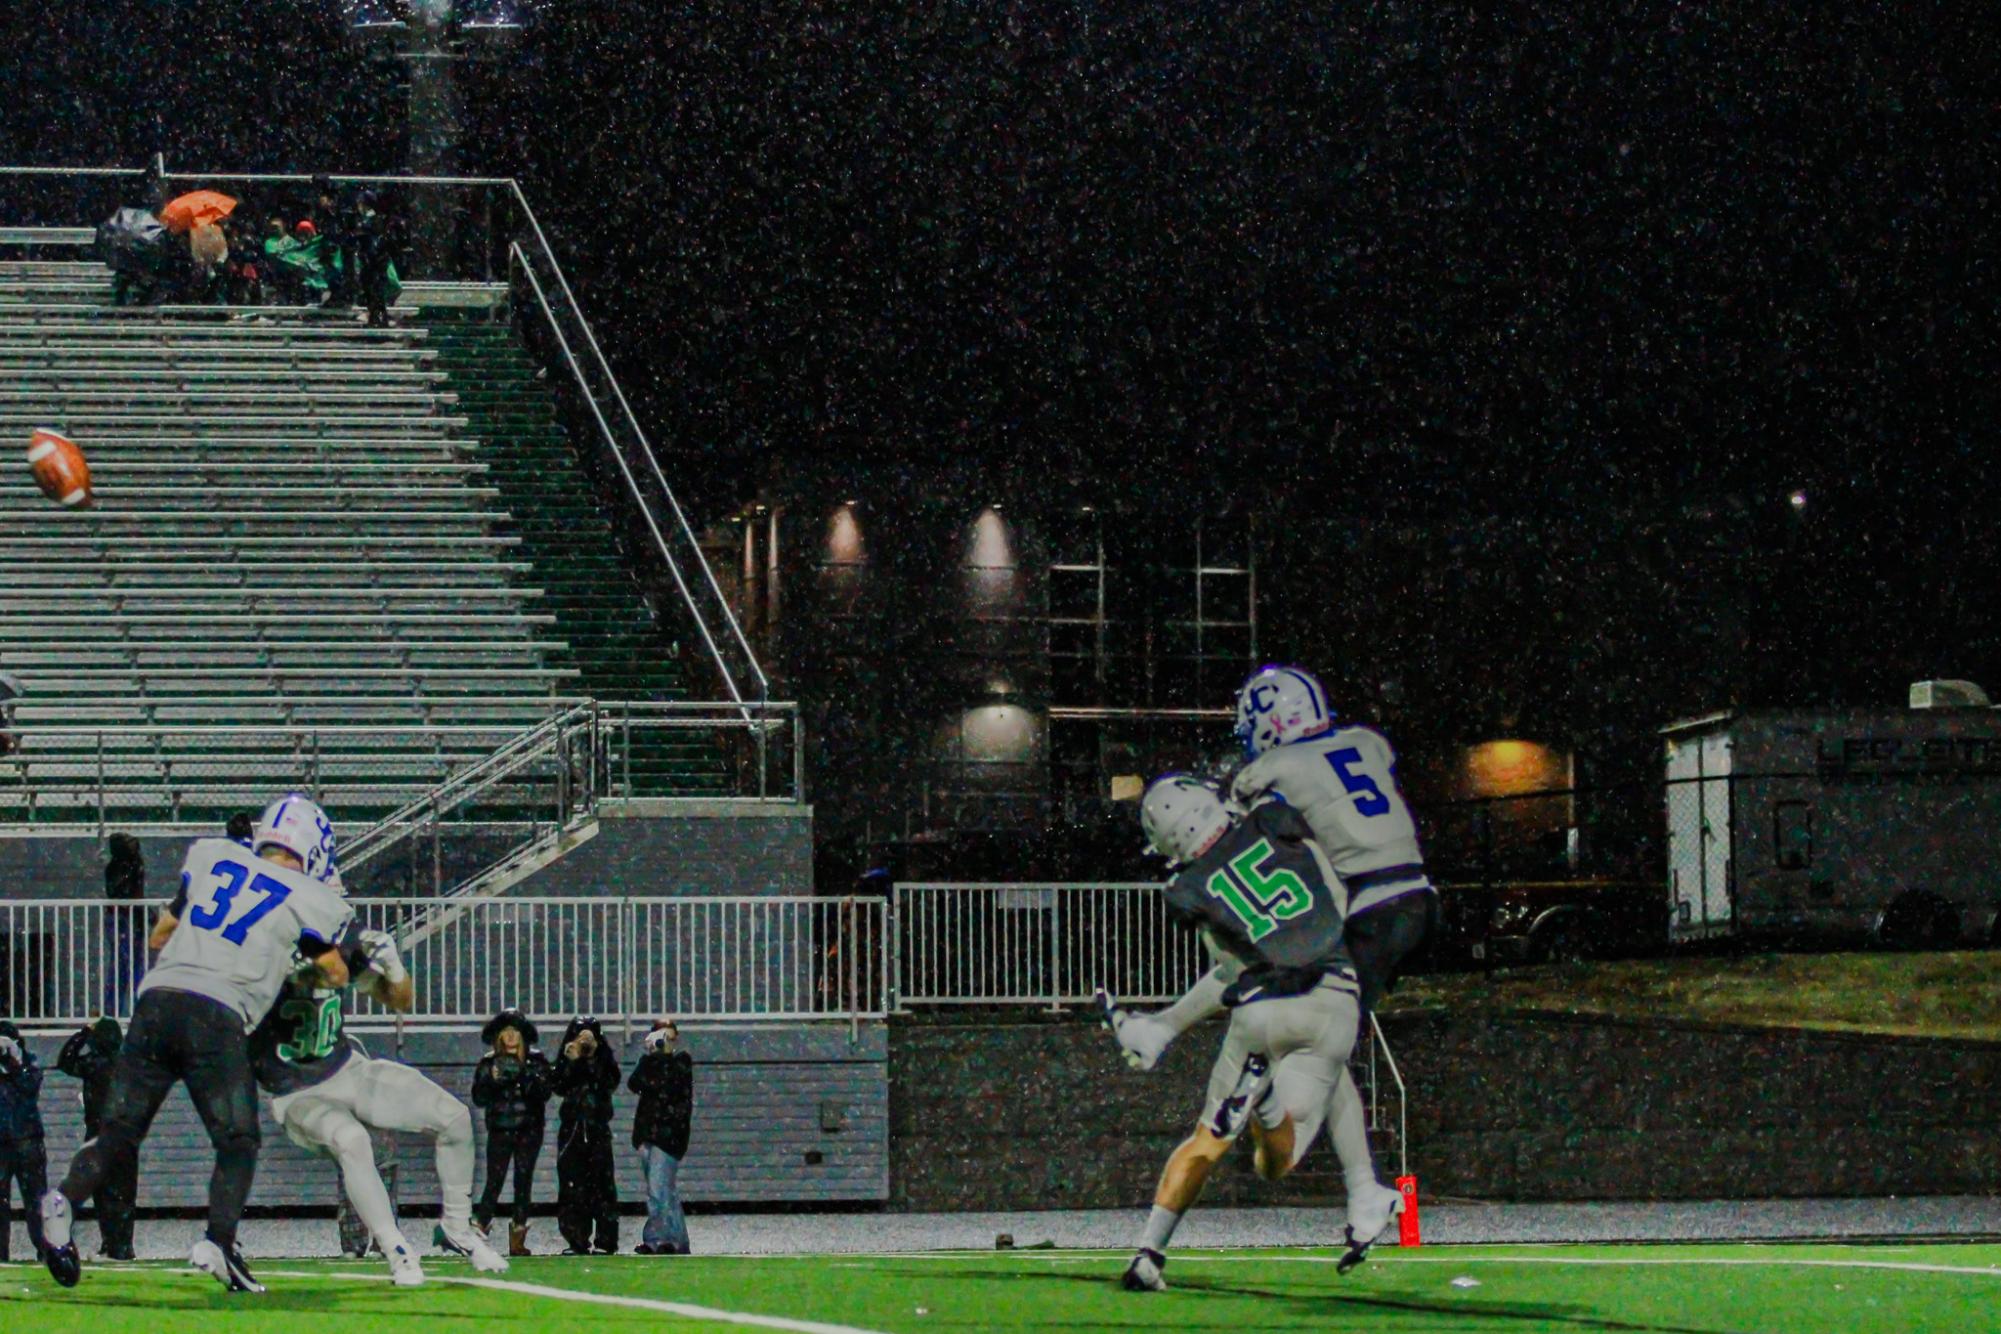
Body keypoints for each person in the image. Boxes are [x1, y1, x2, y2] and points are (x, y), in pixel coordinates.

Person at [39, 792, 355, 1293]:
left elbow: (160, 936)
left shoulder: (215, 855)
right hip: (216, 1013)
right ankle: (219, 1242)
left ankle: (61, 1202)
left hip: (157, 1002)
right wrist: (293, 962)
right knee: (237, 1140)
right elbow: (335, 972)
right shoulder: (311, 896)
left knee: (118, 1131)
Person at [1101, 775, 1366, 1293]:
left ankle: (1148, 1254)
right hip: (1325, 991)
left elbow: (1230, 971)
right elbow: (1333, 890)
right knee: (1277, 1164)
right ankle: (1270, 1111)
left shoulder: (1188, 888)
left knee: (1208, 1140)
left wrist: (1165, 1025)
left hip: (1261, 1010)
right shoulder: (1272, 820)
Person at [1225, 664, 1435, 1266]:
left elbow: (1263, 840)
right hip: (1417, 898)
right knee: (1326, 1036)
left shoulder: (1271, 771)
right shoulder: (1366, 742)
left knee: (1306, 1048)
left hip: (1372, 907)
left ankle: (1278, 1110)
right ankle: (1363, 1189)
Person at [249, 925, 508, 1286]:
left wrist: (393, 965)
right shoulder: (258, 945)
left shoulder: (332, 939)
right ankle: (395, 1247)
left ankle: (457, 1229)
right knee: (353, 1140)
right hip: (296, 1090)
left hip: (345, 1069)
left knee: (453, 1117)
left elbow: (399, 999)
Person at [471, 1010, 551, 1256]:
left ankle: (518, 1235)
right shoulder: (489, 1062)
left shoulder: (536, 1061)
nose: (510, 1036)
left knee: (523, 1181)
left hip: (529, 1129)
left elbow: (544, 1092)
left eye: (515, 1031)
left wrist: (524, 1074)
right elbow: (479, 1097)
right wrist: (493, 1080)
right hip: (500, 1129)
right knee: (494, 1180)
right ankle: (478, 1230)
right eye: (506, 1032)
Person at [54, 1018, 135, 1260]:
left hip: (98, 1135)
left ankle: (110, 1242)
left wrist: (83, 1034)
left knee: (102, 1191)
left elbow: (65, 1062)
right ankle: (123, 1245)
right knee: (125, 1192)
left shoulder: (93, 1064)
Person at [551, 1016, 619, 1255]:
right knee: (572, 1187)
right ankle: (576, 1240)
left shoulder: (604, 1060)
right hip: (572, 1129)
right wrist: (572, 1061)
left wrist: (590, 1059)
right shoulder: (567, 1057)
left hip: (598, 1127)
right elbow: (558, 1085)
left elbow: (608, 1082)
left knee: (603, 1186)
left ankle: (606, 1240)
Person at [627, 1019, 692, 1255]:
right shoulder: (649, 1063)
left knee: (657, 1190)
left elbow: (670, 1085)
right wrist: (652, 1056)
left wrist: (660, 1056)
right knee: (665, 1190)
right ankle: (676, 1240)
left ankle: (658, 1239)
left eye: (670, 1038)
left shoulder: (681, 1062)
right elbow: (635, 1084)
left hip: (669, 1135)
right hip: (648, 1134)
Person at [0, 1020, 49, 1265]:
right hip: (2, 1142)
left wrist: (13, 1062)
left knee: (37, 1200)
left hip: (27, 1140)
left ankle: (45, 1250)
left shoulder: (30, 1061)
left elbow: (30, 1087)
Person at [101, 834, 147, 1017]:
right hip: (123, 918)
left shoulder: (125, 865)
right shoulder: (120, 867)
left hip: (129, 918)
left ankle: (120, 1012)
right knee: (125, 967)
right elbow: (119, 892)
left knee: (128, 967)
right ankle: (118, 1012)